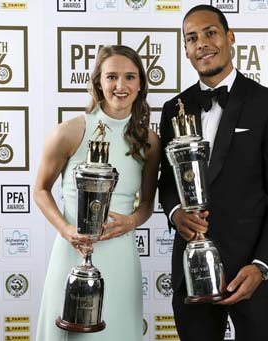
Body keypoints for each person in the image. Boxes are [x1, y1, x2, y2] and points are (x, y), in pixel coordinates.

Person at [158, 5, 268, 341]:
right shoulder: (173, 109)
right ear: (186, 50)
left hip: (251, 273)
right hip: (191, 274)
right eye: (192, 38)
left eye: (210, 33)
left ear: (230, 37)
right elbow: (166, 183)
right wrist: (177, 213)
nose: (202, 43)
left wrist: (262, 265)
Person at [35, 45, 160, 340]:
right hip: (72, 252)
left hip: (120, 255)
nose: (121, 85)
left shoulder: (149, 141)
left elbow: (147, 205)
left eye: (130, 77)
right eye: (112, 77)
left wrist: (131, 222)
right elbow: (40, 189)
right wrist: (66, 229)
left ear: (140, 83)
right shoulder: (70, 131)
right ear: (98, 83)